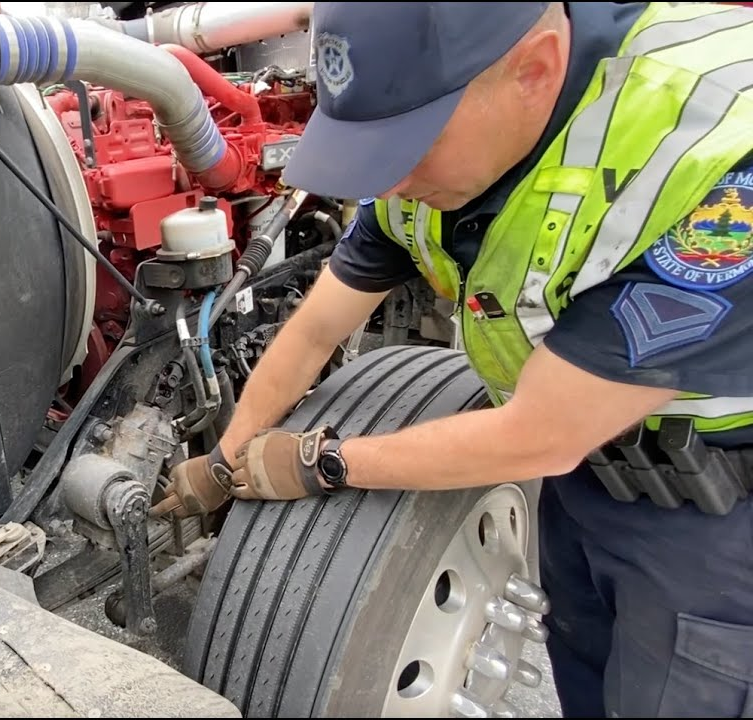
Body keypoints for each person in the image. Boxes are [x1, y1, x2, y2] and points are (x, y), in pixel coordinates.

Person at [150, 2, 753, 717]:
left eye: (409, 143)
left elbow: (542, 435)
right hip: (582, 489)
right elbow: (314, 333)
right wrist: (230, 453)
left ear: (534, 70)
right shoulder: (428, 170)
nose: (393, 180)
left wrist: (322, 461)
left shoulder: (713, 162)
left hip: (714, 528)